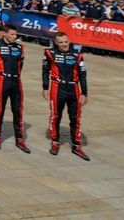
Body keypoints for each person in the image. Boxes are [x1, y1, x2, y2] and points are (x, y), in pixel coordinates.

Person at [43, 31, 89, 160]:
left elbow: (83, 75)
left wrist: (84, 92)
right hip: (57, 87)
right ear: (56, 43)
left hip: (74, 88)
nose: (64, 44)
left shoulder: (78, 55)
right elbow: (45, 70)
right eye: (61, 42)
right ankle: (55, 142)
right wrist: (45, 87)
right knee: (55, 116)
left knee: (75, 118)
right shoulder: (49, 53)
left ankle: (76, 145)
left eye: (66, 42)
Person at [0, 24, 29, 152]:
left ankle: (19, 139)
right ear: (5, 33)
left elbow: (20, 63)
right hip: (1, 80)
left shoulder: (20, 48)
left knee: (18, 110)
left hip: (16, 81)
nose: (14, 37)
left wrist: (16, 75)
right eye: (12, 34)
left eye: (16, 35)